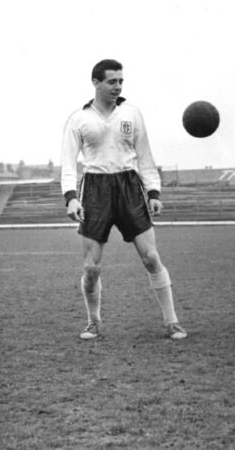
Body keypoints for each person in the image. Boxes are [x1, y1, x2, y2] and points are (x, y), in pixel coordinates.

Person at [61, 59, 187, 341]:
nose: (117, 86)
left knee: (151, 258)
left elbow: (145, 155)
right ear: (95, 82)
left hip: (129, 186)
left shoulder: (131, 113)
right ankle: (93, 321)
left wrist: (153, 192)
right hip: (95, 189)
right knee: (91, 267)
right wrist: (70, 197)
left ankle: (172, 321)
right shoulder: (79, 119)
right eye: (111, 81)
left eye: (121, 81)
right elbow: (68, 163)